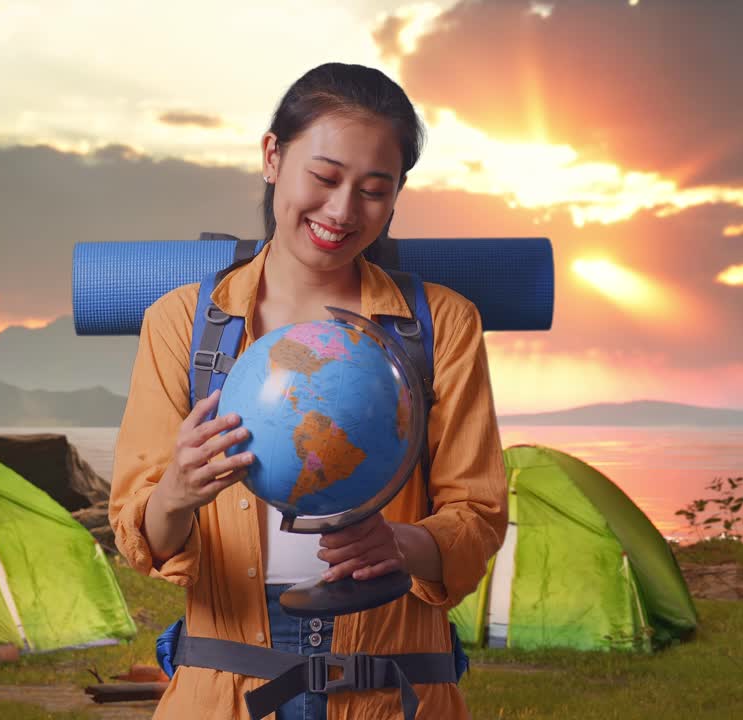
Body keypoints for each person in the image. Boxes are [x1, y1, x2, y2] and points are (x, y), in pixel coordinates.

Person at [110, 62, 507, 720]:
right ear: (272, 156)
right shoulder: (182, 323)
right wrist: (177, 492)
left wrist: (403, 544)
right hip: (223, 693)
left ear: (399, 192)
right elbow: (145, 536)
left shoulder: (443, 326)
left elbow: (479, 516)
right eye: (323, 178)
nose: (342, 211)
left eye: (375, 190)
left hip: (395, 692)